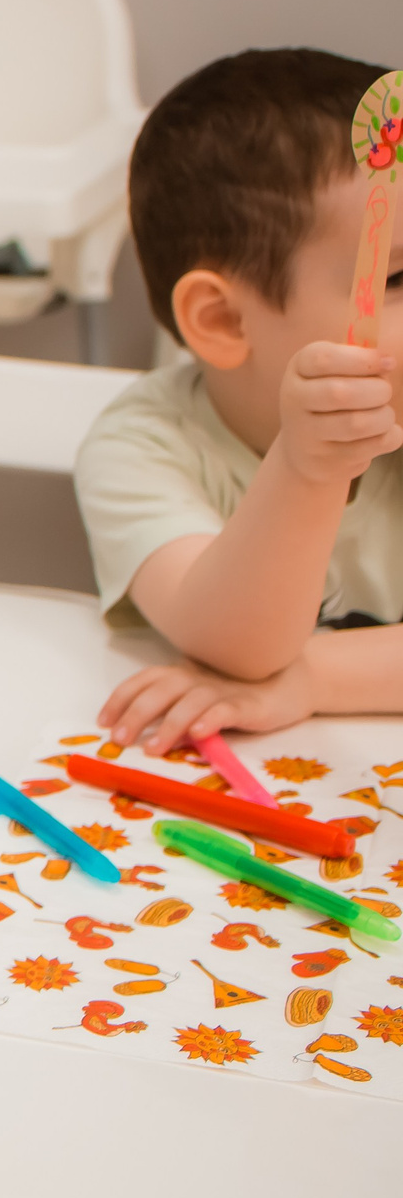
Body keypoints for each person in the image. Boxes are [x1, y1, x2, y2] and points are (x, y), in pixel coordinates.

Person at [80, 49, 403, 754]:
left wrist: (314, 678)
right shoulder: (144, 445)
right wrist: (308, 467)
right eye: (397, 278)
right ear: (224, 321)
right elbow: (238, 648)